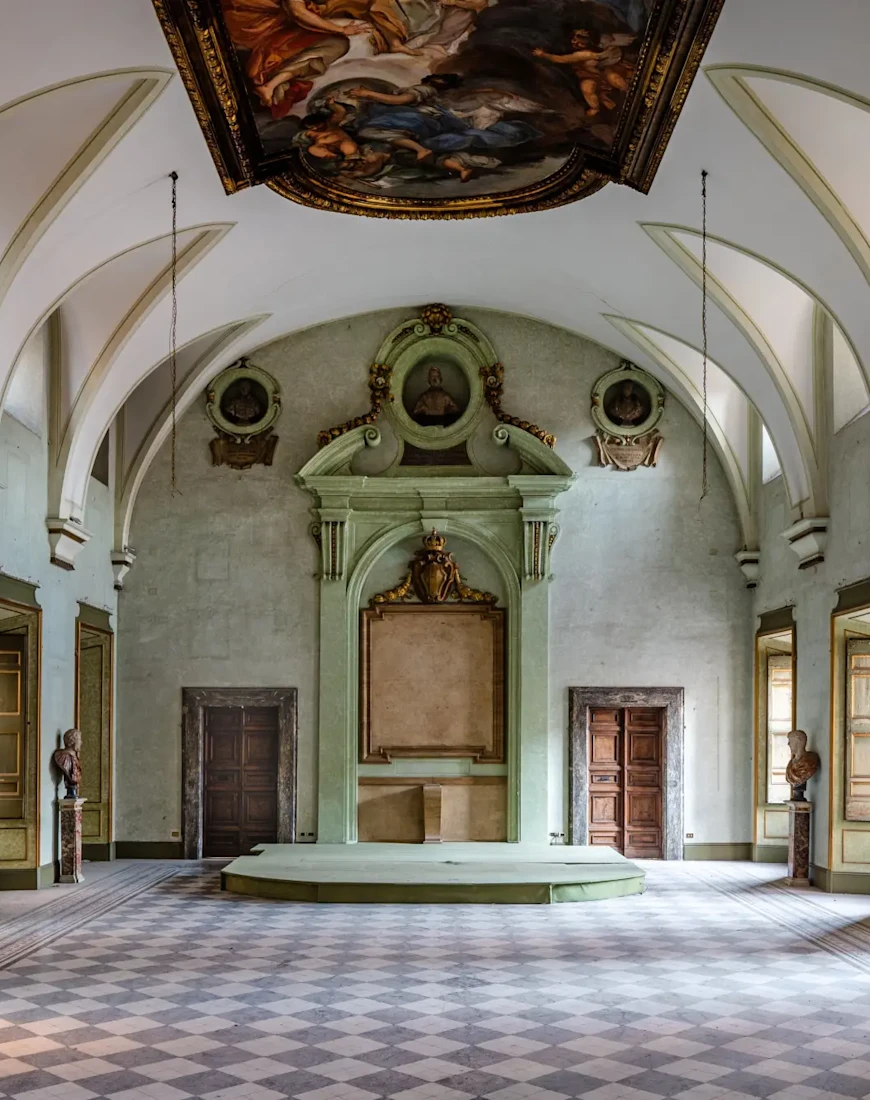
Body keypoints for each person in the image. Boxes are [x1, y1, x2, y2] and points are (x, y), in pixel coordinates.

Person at [221, 0, 371, 119]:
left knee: (334, 43)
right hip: (257, 25)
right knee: (336, 44)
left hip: (270, 21)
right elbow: (297, 11)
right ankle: (271, 85)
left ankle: (272, 85)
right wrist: (341, 30)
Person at [533, 28, 636, 117]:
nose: (575, 43)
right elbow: (560, 59)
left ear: (589, 42)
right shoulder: (580, 54)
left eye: (581, 42)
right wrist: (543, 55)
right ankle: (595, 108)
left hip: (604, 71)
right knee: (587, 88)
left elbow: (610, 55)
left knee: (614, 78)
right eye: (574, 40)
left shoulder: (590, 52)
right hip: (589, 76)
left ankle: (631, 93)